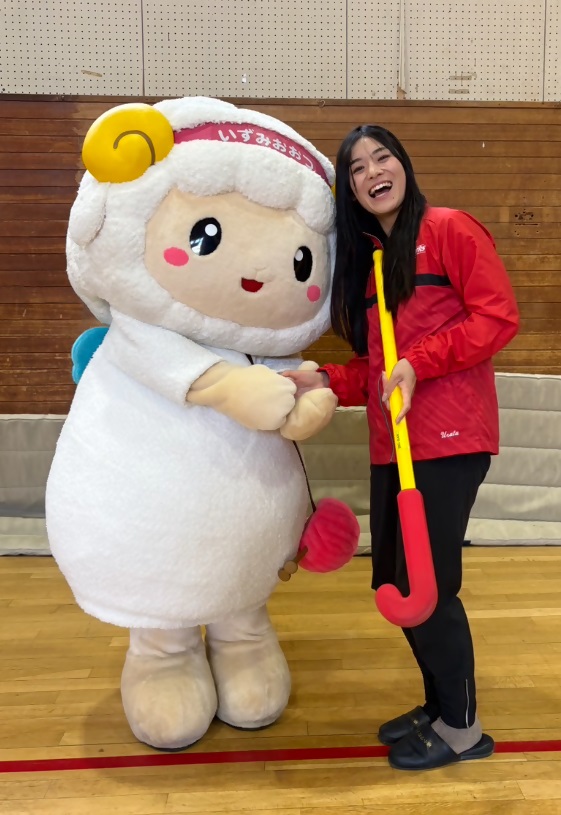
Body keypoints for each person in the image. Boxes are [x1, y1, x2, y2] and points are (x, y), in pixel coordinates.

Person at [283, 125, 520, 771]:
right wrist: (324, 378)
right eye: (357, 168)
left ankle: (462, 729)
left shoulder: (449, 229)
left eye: (381, 157)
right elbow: (379, 368)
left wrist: (420, 361)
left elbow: (496, 317)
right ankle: (438, 706)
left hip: (448, 439)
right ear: (350, 191)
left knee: (428, 586)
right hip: (394, 446)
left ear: (403, 165)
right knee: (396, 583)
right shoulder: (371, 262)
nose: (372, 172)